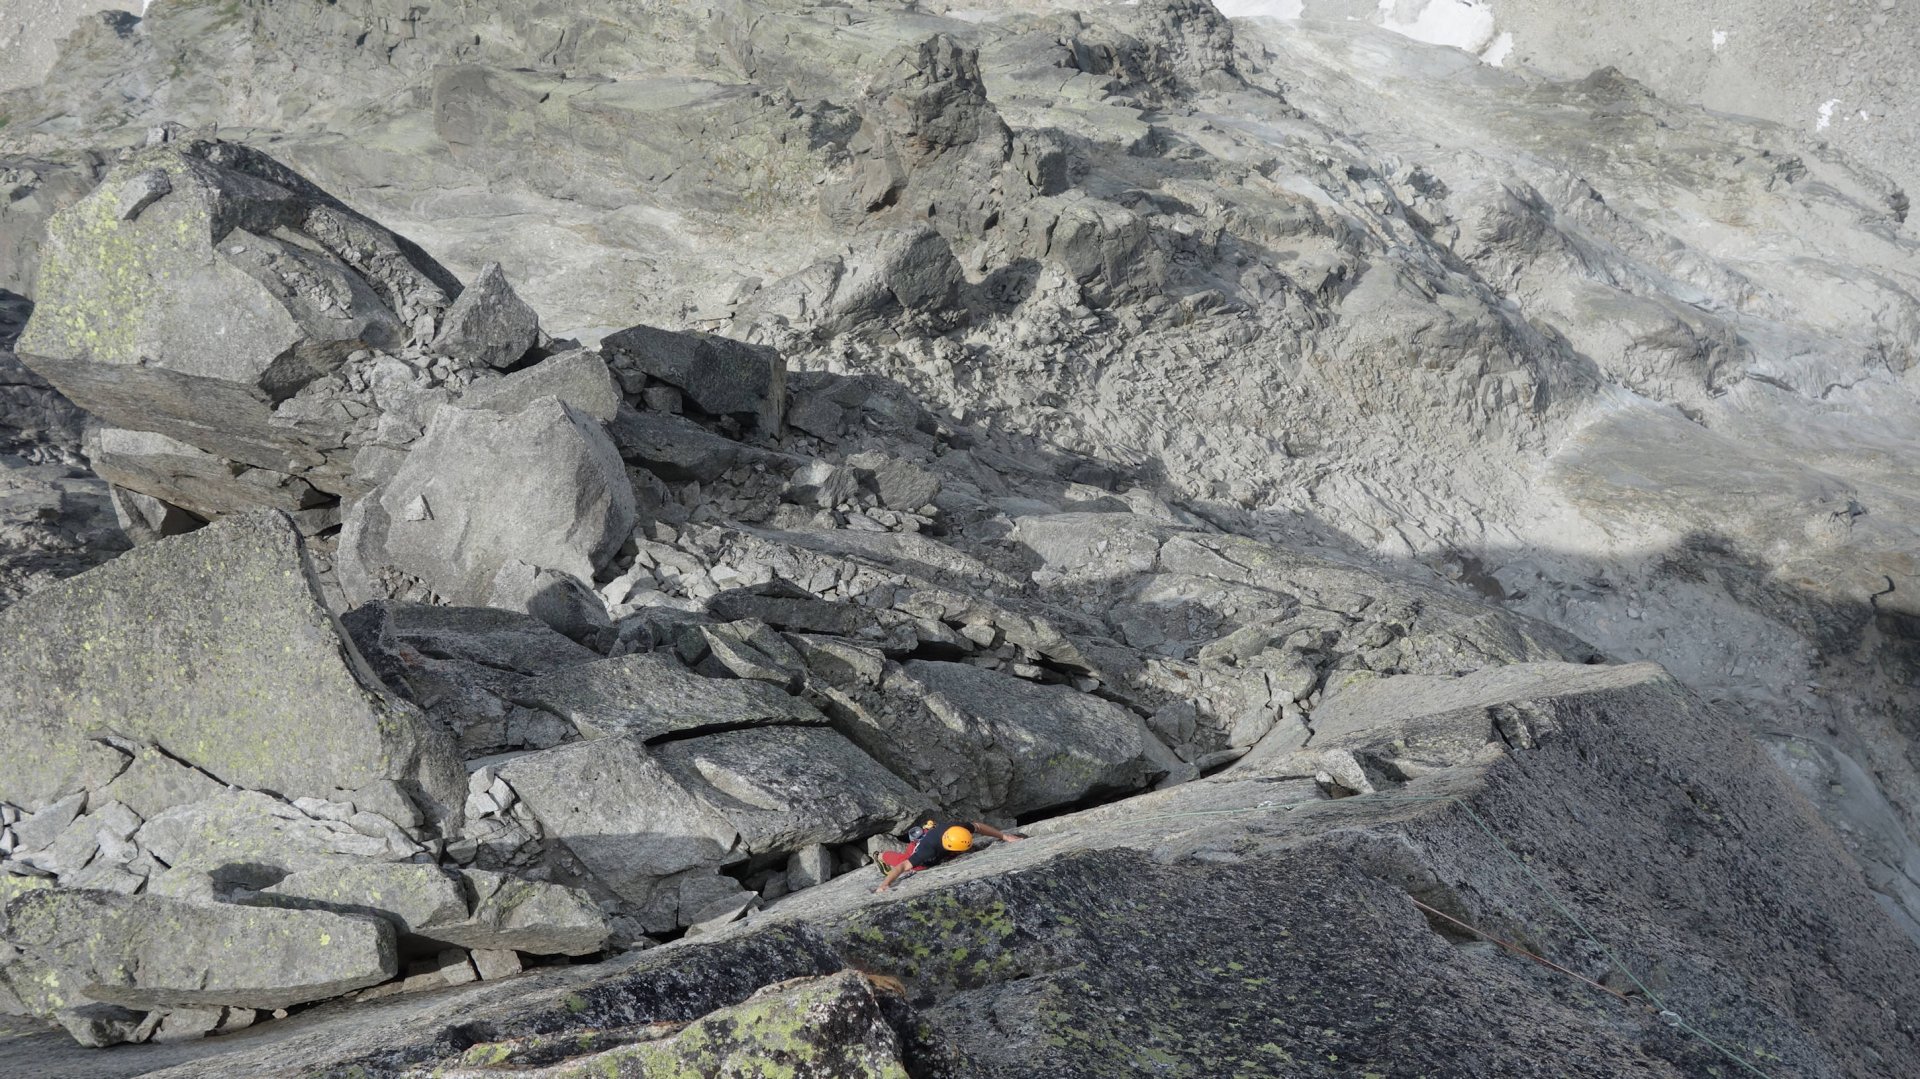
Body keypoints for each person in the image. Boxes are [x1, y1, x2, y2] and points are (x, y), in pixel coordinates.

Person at [873, 814, 1025, 892]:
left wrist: (1004, 836)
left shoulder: (959, 828)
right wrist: (885, 884)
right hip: (923, 842)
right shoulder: (928, 849)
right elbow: (902, 866)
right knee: (914, 864)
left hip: (938, 835)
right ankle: (880, 856)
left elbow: (978, 827)